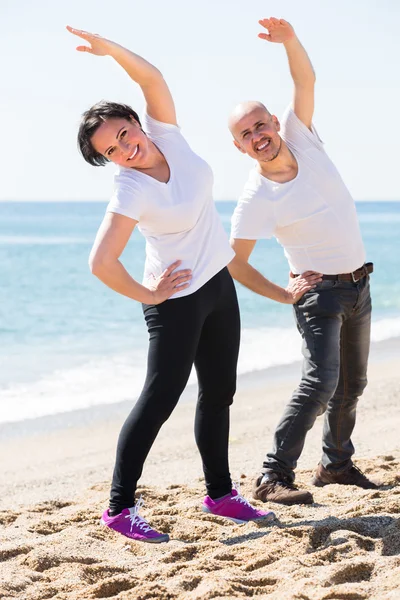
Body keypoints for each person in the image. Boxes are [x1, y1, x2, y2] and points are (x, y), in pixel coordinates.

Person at [66, 25, 319, 542]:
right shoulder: (130, 189)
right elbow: (101, 262)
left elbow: (152, 77)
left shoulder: (167, 136)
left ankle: (220, 494)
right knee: (159, 400)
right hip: (176, 302)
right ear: (109, 163)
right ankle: (118, 508)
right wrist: (150, 293)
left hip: (217, 286)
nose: (125, 148)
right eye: (112, 150)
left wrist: (110, 49)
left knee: (219, 393)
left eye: (124, 134)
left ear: (136, 123)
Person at [229, 17, 378, 506]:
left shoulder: (302, 135)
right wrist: (284, 293)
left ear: (274, 121)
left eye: (260, 124)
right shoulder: (256, 198)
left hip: (359, 284)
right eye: (246, 134)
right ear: (240, 146)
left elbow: (304, 81)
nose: (258, 136)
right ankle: (273, 476)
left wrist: (290, 40)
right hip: (321, 297)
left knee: (352, 383)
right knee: (320, 384)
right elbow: (236, 263)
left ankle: (336, 465)